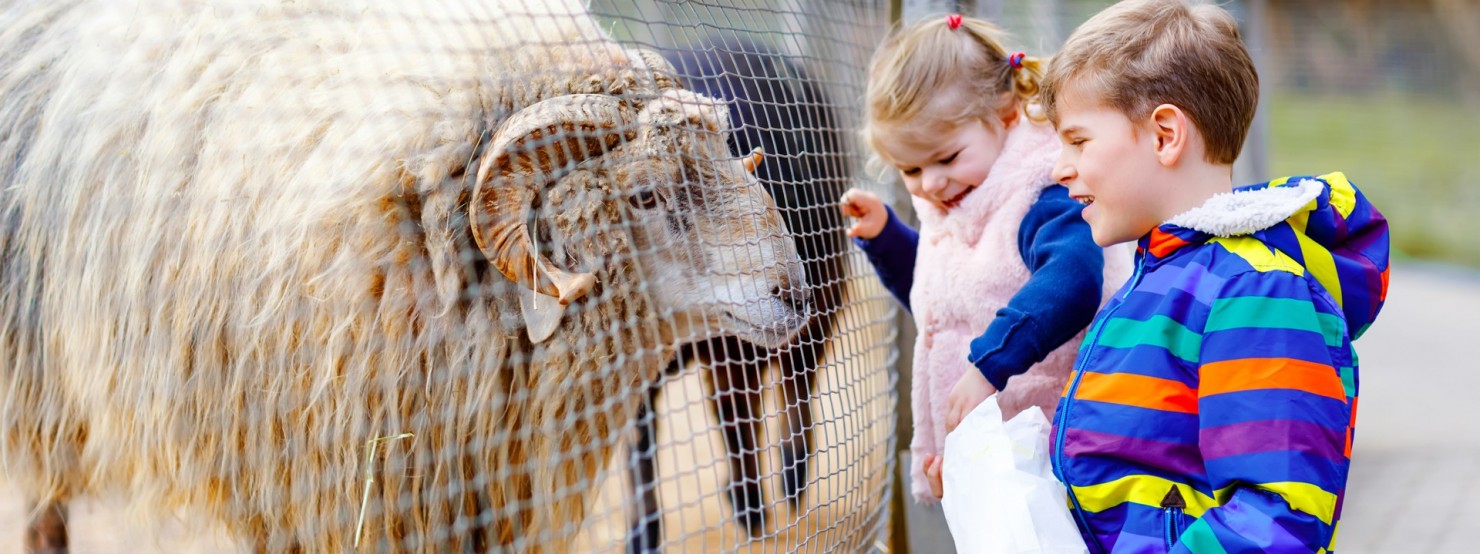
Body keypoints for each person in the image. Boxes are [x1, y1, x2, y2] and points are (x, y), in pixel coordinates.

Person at [1039, 0, 1391, 551]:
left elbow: (1280, 516)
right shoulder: (1159, 275)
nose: (1059, 167)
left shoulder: (1257, 293)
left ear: (1164, 135)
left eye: (1077, 141)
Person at [839, 13, 1130, 503]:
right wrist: (888, 238)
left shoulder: (1044, 197)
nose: (929, 183)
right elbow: (959, 296)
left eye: (947, 158)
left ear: (1006, 114)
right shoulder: (961, 199)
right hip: (999, 454)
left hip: (1057, 449)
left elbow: (1074, 280)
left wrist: (987, 365)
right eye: (910, 168)